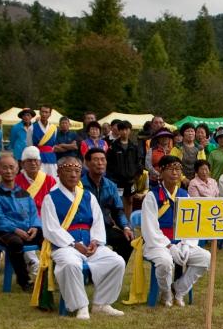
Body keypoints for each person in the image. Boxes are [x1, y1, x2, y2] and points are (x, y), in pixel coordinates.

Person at [35, 154, 127, 319]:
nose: (73, 175)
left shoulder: (87, 196)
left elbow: (97, 221)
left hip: (89, 244)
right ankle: (81, 306)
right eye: (68, 171)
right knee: (70, 264)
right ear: (59, 173)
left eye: (76, 171)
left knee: (116, 261)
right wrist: (73, 244)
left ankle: (101, 303)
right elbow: (51, 228)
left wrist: (95, 242)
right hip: (64, 246)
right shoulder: (51, 198)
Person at [140, 157, 210, 307]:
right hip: (157, 244)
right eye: (170, 169)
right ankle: (165, 294)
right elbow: (149, 227)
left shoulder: (185, 195)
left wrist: (186, 244)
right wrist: (169, 246)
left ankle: (179, 289)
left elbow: (191, 224)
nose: (174, 172)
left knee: (205, 257)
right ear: (161, 172)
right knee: (165, 262)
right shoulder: (152, 196)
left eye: (178, 169)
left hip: (181, 242)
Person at [0, 152, 42, 292]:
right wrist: (16, 230)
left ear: (18, 168)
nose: (9, 171)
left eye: (12, 167)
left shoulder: (25, 193)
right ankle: (24, 280)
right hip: (5, 233)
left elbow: (34, 213)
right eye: (4, 168)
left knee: (49, 238)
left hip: (28, 231)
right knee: (15, 243)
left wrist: (35, 227)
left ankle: (49, 277)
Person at [82, 147, 135, 262]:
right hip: (85, 228)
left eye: (102, 159)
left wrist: (126, 227)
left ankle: (112, 270)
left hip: (105, 228)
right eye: (96, 160)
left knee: (127, 240)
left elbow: (118, 211)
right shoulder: (79, 185)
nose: (100, 163)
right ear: (87, 163)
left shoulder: (111, 186)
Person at [105, 119, 143, 215]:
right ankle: (119, 223)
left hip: (130, 180)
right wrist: (111, 177)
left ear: (130, 130)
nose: (124, 132)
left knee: (130, 200)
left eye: (126, 129)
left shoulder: (134, 146)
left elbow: (138, 161)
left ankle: (128, 221)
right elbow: (108, 163)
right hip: (117, 180)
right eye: (122, 129)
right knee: (118, 201)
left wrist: (137, 174)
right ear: (119, 131)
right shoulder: (113, 146)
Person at [31, 105, 60, 176]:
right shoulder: (31, 128)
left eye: (46, 112)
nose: (44, 114)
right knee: (39, 180)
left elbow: (53, 145)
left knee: (53, 180)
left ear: (50, 114)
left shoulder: (54, 128)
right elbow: (29, 146)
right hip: (37, 159)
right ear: (39, 113)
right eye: (42, 112)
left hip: (51, 159)